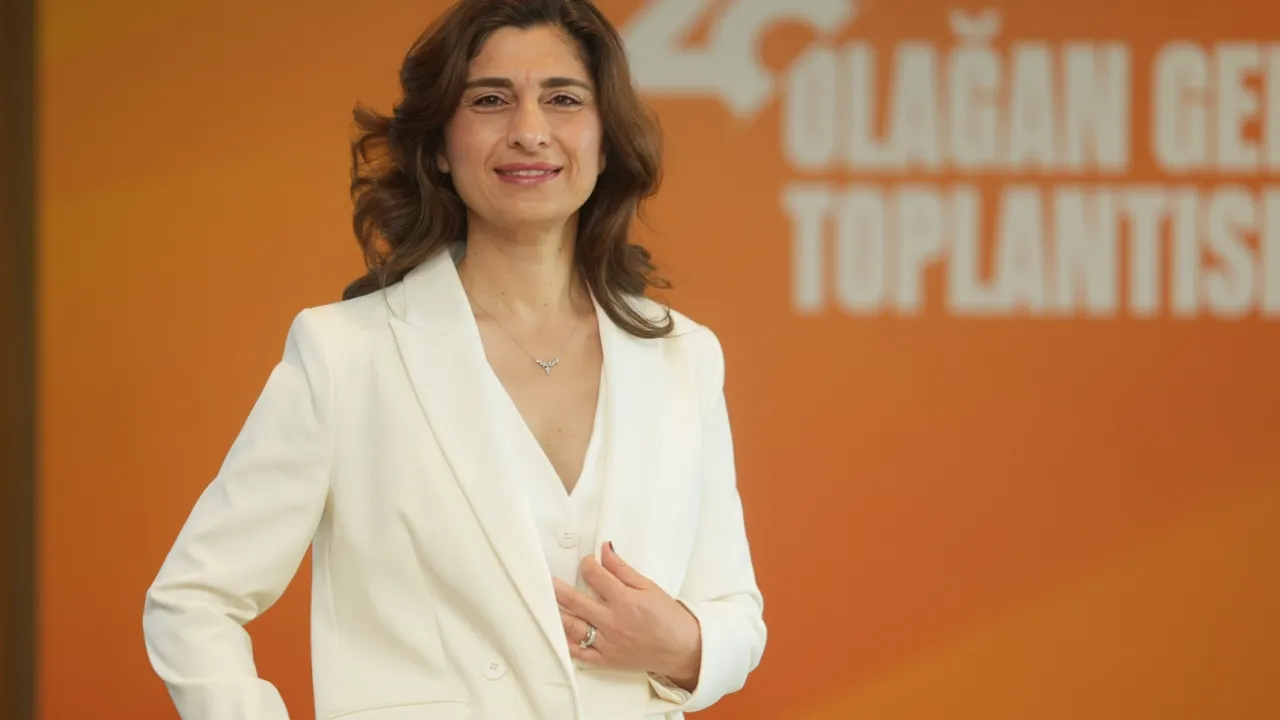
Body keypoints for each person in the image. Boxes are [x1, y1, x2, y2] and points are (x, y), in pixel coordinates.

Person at [141, 0, 766, 718]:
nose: (528, 130)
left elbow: (734, 612)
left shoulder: (682, 355)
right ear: (440, 143)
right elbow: (194, 600)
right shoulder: (346, 354)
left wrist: (684, 645)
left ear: (605, 142)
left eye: (563, 99)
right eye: (490, 100)